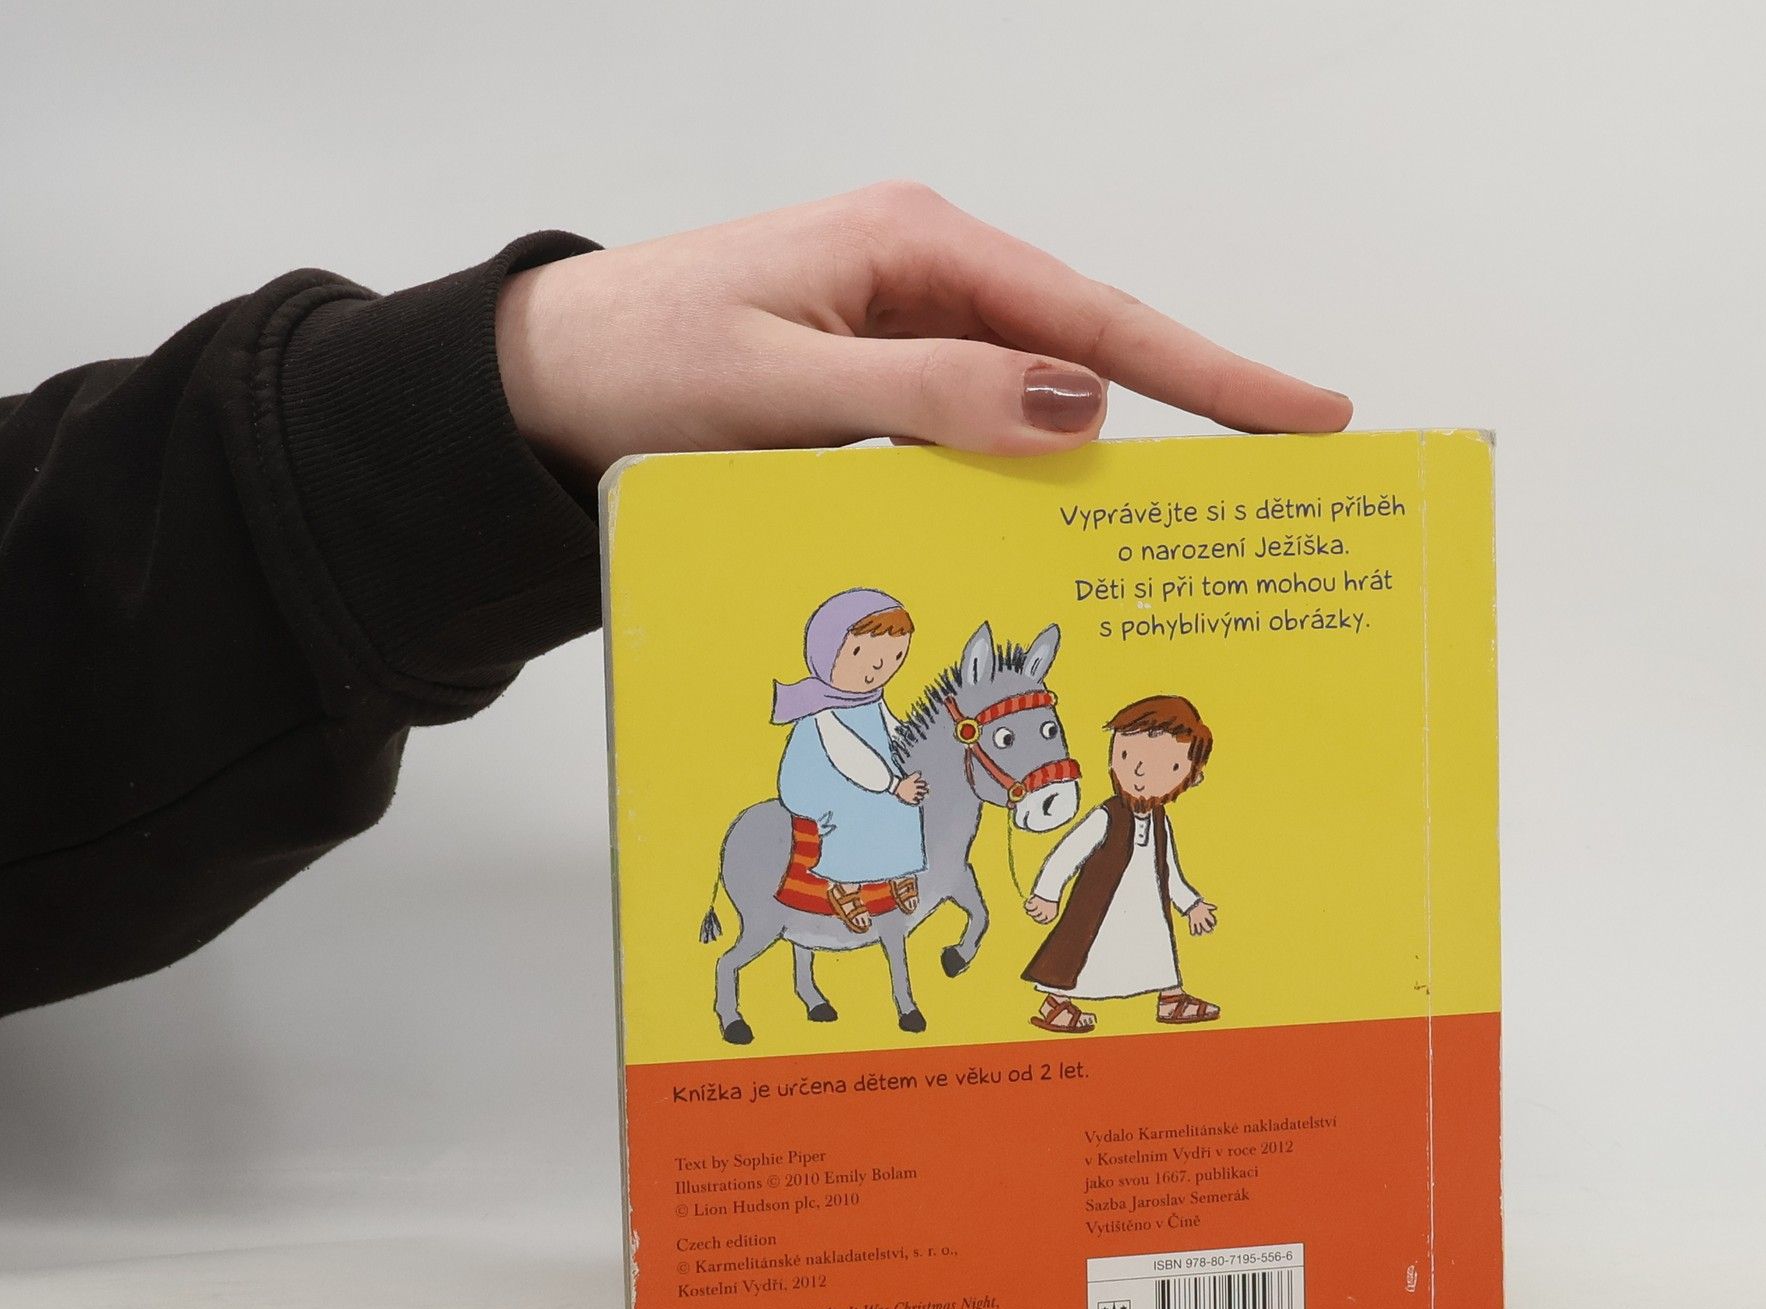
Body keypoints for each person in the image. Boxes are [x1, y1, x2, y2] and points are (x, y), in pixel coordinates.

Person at [0, 183, 1350, 1018]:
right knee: (869, 834)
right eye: (871, 647)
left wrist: (488, 394)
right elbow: (841, 765)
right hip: (833, 795)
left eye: (888, 649)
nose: (882, 663)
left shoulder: (904, 719)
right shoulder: (827, 716)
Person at [1023, 695, 1220, 1033]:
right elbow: (1066, 854)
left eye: (1166, 766)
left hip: (1146, 907)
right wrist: (1047, 894)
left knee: (1156, 944)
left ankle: (1171, 998)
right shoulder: (1105, 816)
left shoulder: (1160, 820)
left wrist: (1191, 905)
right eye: (1127, 756)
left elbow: (1170, 872)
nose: (1139, 772)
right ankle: (1055, 1003)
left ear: (1191, 777)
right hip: (1101, 906)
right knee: (1082, 952)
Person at [771, 588, 927, 932]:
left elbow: (893, 729)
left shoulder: (871, 699)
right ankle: (845, 886)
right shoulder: (822, 708)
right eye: (860, 653)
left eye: (895, 657)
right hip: (819, 777)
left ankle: (900, 870)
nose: (878, 668)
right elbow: (849, 757)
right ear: (828, 651)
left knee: (908, 802)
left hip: (872, 772)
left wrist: (917, 748)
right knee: (859, 808)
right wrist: (892, 785)